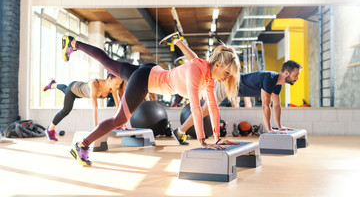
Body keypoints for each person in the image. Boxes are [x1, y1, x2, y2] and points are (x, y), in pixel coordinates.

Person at [61, 34, 241, 166]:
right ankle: (81, 145)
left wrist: (217, 139)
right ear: (217, 64)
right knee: (120, 120)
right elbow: (195, 107)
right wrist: (202, 141)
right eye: (227, 72)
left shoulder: (208, 76)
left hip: (149, 71)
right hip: (145, 80)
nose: (227, 78)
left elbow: (213, 106)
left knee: (108, 61)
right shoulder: (197, 70)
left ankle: (74, 43)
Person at [166, 32, 302, 145]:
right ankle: (180, 131)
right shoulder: (270, 78)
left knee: (198, 64)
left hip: (227, 83)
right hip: (226, 83)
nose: (297, 78)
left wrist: (280, 126)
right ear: (286, 73)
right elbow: (266, 106)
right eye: (296, 75)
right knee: (205, 108)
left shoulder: (277, 85)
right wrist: (270, 129)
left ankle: (179, 46)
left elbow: (276, 106)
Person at [43, 73, 124, 141]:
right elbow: (95, 106)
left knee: (64, 88)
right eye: (116, 83)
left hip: (81, 92)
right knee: (66, 110)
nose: (118, 86)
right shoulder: (94, 84)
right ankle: (49, 129)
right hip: (74, 89)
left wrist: (124, 123)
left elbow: (118, 104)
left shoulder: (113, 88)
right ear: (109, 80)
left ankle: (52, 84)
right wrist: (96, 128)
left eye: (119, 84)